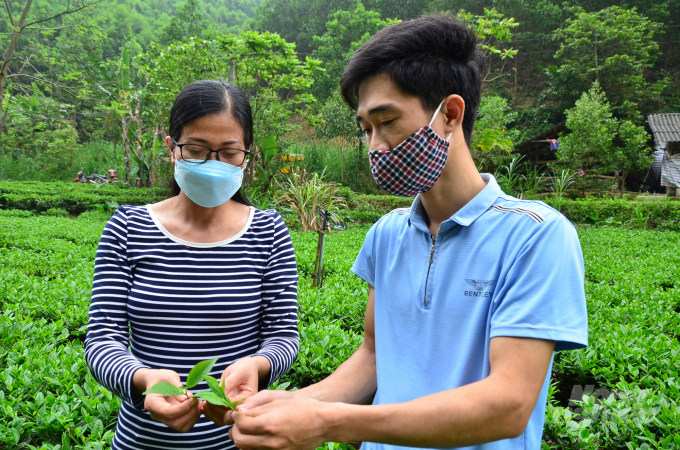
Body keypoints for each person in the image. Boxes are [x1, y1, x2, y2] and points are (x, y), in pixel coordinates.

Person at [226, 14, 588, 450]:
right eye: (365, 129)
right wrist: (285, 407)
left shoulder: (536, 236)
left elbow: (509, 403)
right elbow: (374, 357)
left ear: (450, 114)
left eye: (387, 121)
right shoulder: (387, 233)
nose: (375, 145)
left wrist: (330, 423)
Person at [85, 80, 299, 450]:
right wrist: (144, 378)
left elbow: (283, 336)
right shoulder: (128, 228)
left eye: (229, 152)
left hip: (237, 440)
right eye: (197, 150)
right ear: (172, 149)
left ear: (246, 155)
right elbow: (102, 338)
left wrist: (259, 366)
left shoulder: (268, 232)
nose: (213, 164)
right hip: (141, 442)